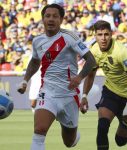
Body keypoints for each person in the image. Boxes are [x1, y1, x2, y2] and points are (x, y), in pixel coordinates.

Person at [17, 3, 96, 150]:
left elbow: (91, 60)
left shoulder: (70, 37)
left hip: (69, 96)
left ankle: (74, 135)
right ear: (42, 19)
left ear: (61, 19)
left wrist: (79, 78)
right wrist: (25, 80)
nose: (51, 19)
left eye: (55, 16)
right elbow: (35, 61)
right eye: (47, 16)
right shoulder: (37, 41)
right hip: (48, 93)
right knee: (39, 130)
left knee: (69, 142)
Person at [80, 20, 127, 150]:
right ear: (95, 36)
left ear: (111, 35)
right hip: (111, 92)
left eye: (106, 34)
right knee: (102, 127)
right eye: (99, 35)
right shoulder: (94, 50)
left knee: (120, 140)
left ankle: (126, 130)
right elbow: (91, 74)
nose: (103, 38)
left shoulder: (121, 52)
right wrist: (84, 95)